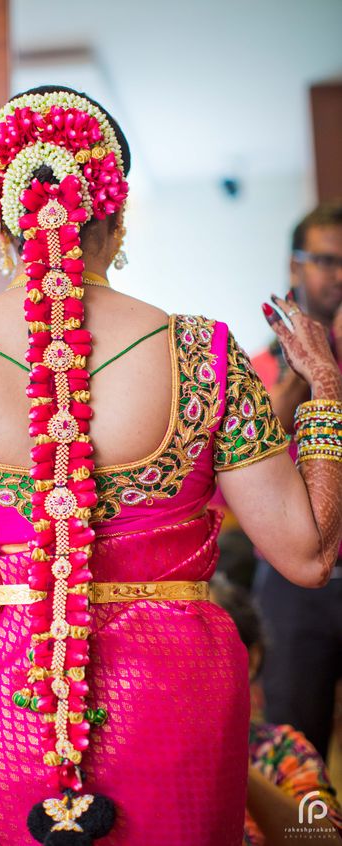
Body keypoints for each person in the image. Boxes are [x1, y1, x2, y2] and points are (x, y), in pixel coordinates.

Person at [0, 87, 342, 846]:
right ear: (116, 218)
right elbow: (309, 554)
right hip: (175, 694)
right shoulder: (205, 356)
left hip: (1, 704)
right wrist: (325, 398)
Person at [251, 202, 342, 762]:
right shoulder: (257, 367)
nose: (338, 276)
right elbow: (255, 451)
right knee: (297, 748)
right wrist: (306, 370)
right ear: (294, 266)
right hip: (292, 584)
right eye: (327, 261)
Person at [210, 573, 342, 844]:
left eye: (207, 645)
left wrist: (236, 766)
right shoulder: (130, 748)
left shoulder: (282, 752)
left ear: (251, 659)